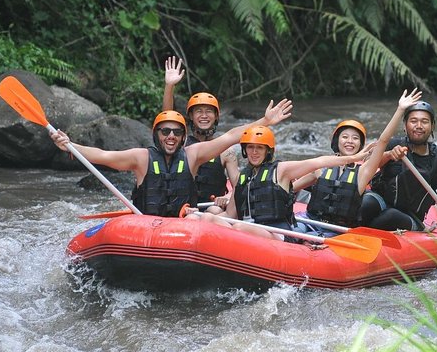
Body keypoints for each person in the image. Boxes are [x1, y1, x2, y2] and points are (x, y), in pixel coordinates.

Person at [49, 99, 293, 217]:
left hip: (184, 223)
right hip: (147, 225)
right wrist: (70, 145)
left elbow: (230, 136)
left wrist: (265, 122)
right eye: (165, 131)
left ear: (183, 136)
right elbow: (104, 155)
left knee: (209, 221)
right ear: (157, 135)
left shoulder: (193, 155)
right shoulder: (141, 158)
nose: (171, 136)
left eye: (176, 132)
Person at [192, 125, 371, 241]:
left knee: (240, 227)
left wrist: (353, 158)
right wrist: (196, 217)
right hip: (252, 228)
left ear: (268, 151)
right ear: (245, 150)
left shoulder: (282, 170)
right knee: (208, 217)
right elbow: (231, 214)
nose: (254, 152)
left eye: (259, 148)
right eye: (250, 147)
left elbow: (318, 162)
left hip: (279, 234)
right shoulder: (243, 177)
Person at [292, 89, 423, 233]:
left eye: (355, 138)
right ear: (337, 140)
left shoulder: (363, 172)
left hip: (336, 231)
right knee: (294, 232)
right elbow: (289, 189)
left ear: (361, 144)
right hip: (309, 220)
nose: (349, 141)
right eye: (345, 137)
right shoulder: (320, 167)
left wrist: (400, 109)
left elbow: (383, 141)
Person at [361, 101, 437, 235]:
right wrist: (389, 155)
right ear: (405, 125)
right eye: (413, 121)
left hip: (410, 214)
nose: (419, 126)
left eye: (424, 121)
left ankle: (360, 233)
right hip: (381, 199)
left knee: (391, 216)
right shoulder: (393, 144)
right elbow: (367, 166)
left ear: (432, 126)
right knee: (366, 204)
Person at [162, 56, 238, 213]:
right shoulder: (180, 144)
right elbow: (167, 119)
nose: (204, 115)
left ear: (216, 116)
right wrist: (169, 86)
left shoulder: (226, 152)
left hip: (211, 209)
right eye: (199, 111)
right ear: (190, 116)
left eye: (209, 111)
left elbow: (238, 186)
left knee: (215, 212)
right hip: (184, 208)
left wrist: (229, 195)